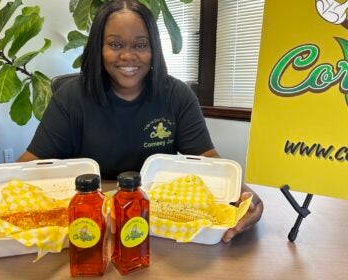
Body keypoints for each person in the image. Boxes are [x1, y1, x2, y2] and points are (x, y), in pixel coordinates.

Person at [18, 0, 263, 243]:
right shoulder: (70, 98)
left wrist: (243, 193)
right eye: (115, 44)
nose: (128, 56)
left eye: (141, 45)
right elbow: (28, 168)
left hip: (155, 227)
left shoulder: (177, 96)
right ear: (98, 48)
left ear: (153, 49)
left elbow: (209, 161)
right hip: (88, 224)